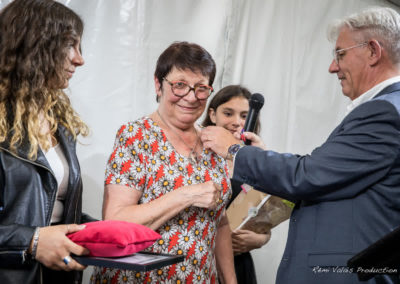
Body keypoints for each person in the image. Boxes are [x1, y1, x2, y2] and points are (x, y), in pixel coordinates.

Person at [201, 6, 400, 284]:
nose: (333, 67)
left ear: (373, 51)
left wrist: (237, 152)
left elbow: (310, 175)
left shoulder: (384, 112)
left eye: (340, 54)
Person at [91, 42, 237, 284]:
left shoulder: (214, 143)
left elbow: (219, 224)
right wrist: (186, 195)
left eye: (201, 88)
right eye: (180, 85)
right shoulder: (136, 136)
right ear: (158, 84)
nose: (191, 97)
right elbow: (116, 222)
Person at [0, 0, 96, 283]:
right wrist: (33, 239)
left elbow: (51, 211)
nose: (80, 59)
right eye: (70, 45)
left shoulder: (61, 123)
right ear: (34, 46)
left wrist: (103, 231)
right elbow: (36, 228)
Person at [202, 85, 270, 284]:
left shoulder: (255, 159)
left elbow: (265, 221)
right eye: (228, 113)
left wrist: (259, 240)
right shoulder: (198, 154)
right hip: (202, 261)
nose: (236, 122)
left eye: (244, 115)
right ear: (212, 114)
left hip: (239, 266)